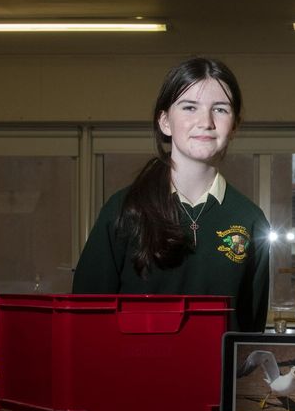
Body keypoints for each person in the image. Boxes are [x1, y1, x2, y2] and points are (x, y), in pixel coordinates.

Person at [72, 57, 270, 332]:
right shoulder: (124, 210)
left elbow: (251, 330)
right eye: (190, 107)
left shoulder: (250, 219)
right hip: (135, 373)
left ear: (234, 125)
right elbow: (86, 319)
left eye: (221, 110)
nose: (206, 121)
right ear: (165, 122)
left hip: (216, 376)